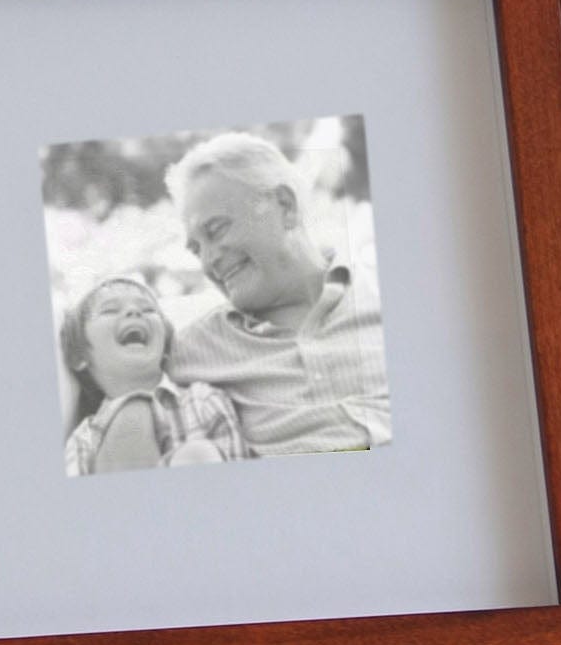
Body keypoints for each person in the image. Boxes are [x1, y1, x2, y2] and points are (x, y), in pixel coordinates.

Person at [164, 131, 392, 456]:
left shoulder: (389, 296)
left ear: (285, 205)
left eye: (216, 230)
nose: (208, 260)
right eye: (196, 249)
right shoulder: (190, 350)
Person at [60, 275, 250, 476]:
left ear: (165, 347)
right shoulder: (84, 440)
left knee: (198, 453)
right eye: (110, 310)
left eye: (148, 309)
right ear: (79, 356)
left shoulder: (204, 400)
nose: (134, 311)